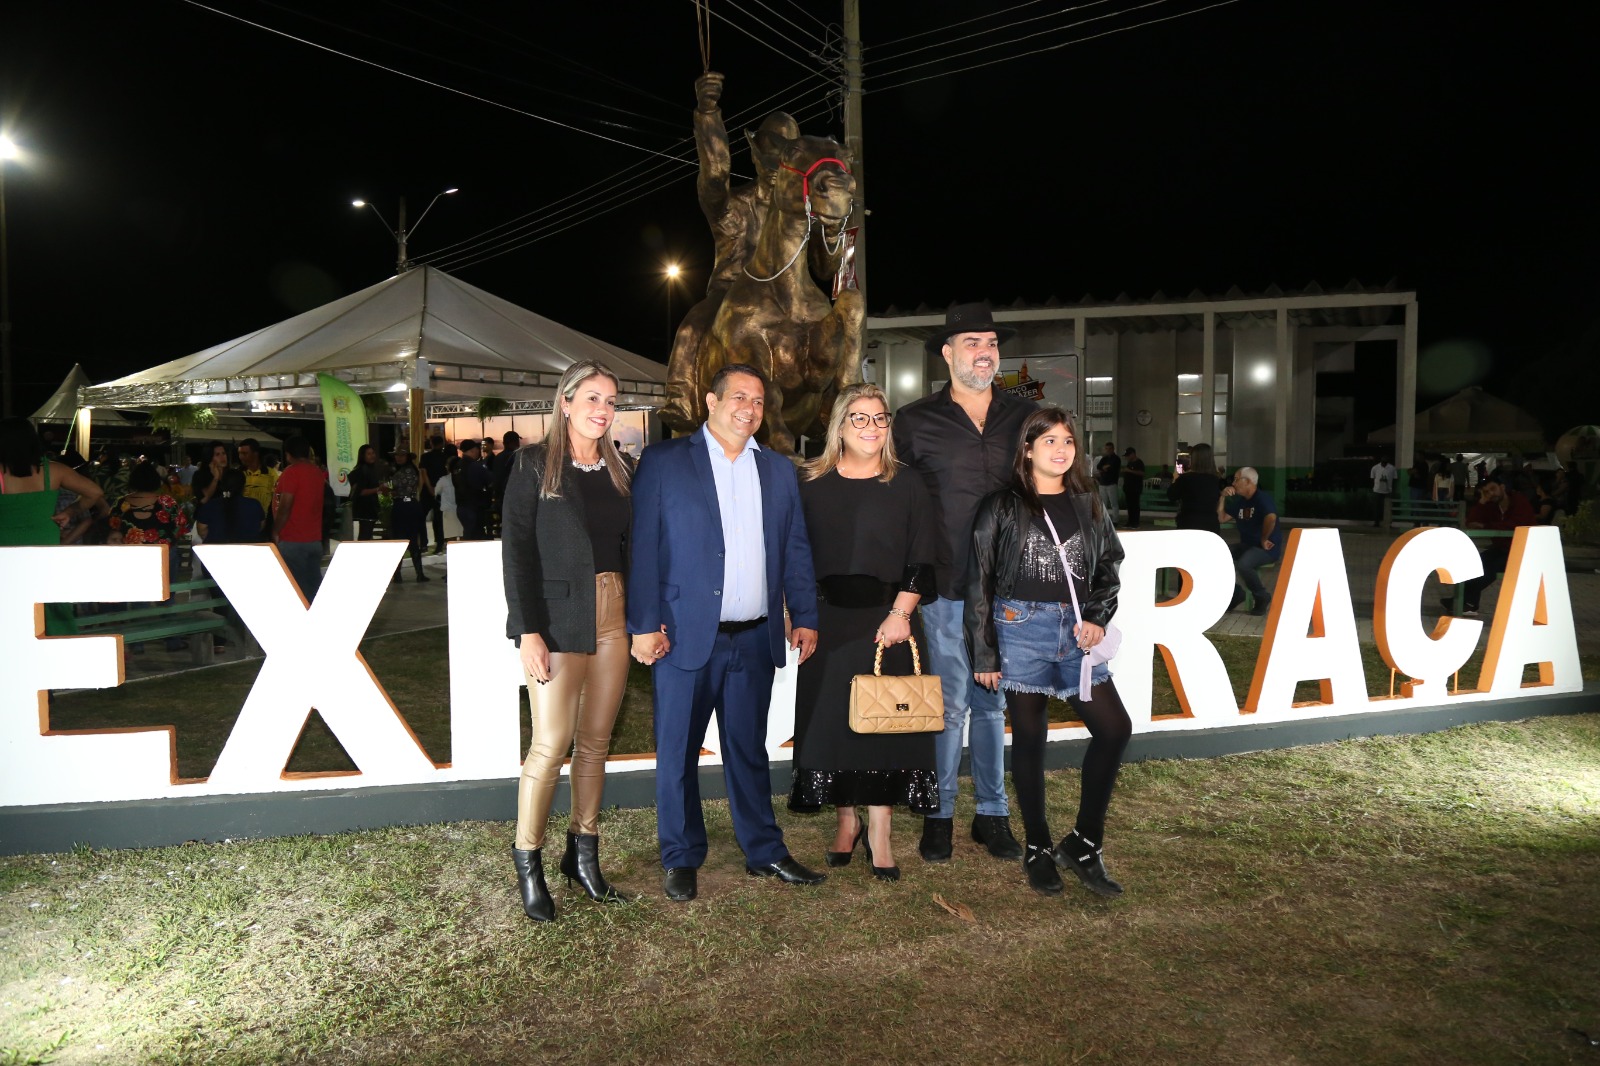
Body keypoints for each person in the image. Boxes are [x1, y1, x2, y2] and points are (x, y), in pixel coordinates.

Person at [628, 362, 824, 902]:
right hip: (684, 639)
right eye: (739, 397)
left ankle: (764, 851)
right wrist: (643, 626)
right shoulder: (665, 462)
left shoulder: (779, 471)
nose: (750, 409)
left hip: (755, 639)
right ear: (710, 403)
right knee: (678, 752)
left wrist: (804, 614)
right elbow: (642, 548)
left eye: (759, 401)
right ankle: (681, 855)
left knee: (748, 750)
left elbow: (795, 549)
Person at [965, 407, 1132, 897]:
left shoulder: (1088, 501)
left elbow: (1109, 564)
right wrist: (984, 655)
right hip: (1019, 629)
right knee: (1031, 738)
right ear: (1028, 449)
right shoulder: (999, 506)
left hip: (1077, 635)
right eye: (1049, 441)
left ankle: (1084, 843)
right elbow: (979, 581)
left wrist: (1098, 617)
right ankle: (1037, 845)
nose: (1060, 450)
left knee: (1114, 728)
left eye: (1068, 442)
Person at [892, 302, 1034, 865]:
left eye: (992, 342)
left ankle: (993, 815)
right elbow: (897, 501)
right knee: (950, 706)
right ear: (948, 353)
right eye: (972, 341)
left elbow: (1052, 485)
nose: (985, 351)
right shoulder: (914, 420)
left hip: (1012, 591)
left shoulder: (1027, 416)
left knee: (993, 707)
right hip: (946, 586)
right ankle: (940, 814)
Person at [501, 360, 636, 922]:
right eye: (592, 398)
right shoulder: (534, 465)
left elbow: (632, 546)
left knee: (596, 743)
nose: (602, 409)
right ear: (565, 402)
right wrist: (527, 629)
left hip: (615, 614)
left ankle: (582, 855)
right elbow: (517, 551)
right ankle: (528, 861)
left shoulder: (621, 469)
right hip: (557, 620)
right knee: (550, 745)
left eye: (609, 400)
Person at [788, 383, 939, 882]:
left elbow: (923, 557)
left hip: (889, 620)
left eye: (880, 418)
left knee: (884, 727)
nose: (871, 427)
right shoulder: (810, 483)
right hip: (828, 623)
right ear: (839, 424)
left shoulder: (908, 483)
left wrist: (900, 614)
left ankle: (880, 831)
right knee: (835, 727)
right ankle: (846, 822)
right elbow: (797, 558)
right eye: (859, 418)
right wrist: (799, 614)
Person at [0, 417, 109, 635]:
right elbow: (95, 493)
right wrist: (69, 512)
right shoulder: (54, 471)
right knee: (49, 601)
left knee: (9, 603)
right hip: (44, 547)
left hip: (5, 549)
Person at [194, 467, 268, 655]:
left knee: (220, 601)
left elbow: (202, 530)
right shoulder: (254, 505)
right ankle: (250, 637)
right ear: (243, 486)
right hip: (246, 560)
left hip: (215, 560)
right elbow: (260, 527)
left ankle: (220, 640)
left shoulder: (211, 506)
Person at [1440, 479, 1536, 618]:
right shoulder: (1491, 506)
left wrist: (1487, 526)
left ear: (1502, 486)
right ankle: (1466, 602)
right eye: (1486, 492)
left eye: (1493, 489)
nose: (1491, 493)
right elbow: (1471, 522)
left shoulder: (1519, 501)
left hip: (1524, 550)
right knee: (1475, 563)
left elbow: (1515, 525)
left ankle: (1468, 603)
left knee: (1490, 568)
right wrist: (1482, 502)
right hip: (1501, 548)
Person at [271, 436, 327, 601]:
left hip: (293, 539)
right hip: (314, 539)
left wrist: (275, 530)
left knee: (296, 590)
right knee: (313, 587)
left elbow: (286, 504)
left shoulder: (292, 472)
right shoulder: (317, 472)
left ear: (288, 454)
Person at [1220, 467, 1281, 615]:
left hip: (1265, 548)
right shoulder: (1241, 502)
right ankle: (1235, 594)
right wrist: (1222, 496)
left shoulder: (1262, 498)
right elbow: (1220, 518)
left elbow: (1271, 518)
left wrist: (1264, 538)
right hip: (1247, 546)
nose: (1233, 483)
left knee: (1244, 565)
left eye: (1236, 479)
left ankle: (1261, 596)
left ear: (1247, 481)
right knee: (1218, 555)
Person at [387, 446, 432, 583]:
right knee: (407, 540)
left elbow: (398, 488)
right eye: (397, 455)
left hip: (406, 506)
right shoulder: (403, 470)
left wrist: (389, 490)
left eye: (401, 455)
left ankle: (406, 574)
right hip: (405, 505)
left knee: (404, 540)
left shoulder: (408, 472)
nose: (398, 457)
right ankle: (414, 574)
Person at [1167, 442, 1222, 533]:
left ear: (1194, 459)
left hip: (1188, 525)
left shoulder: (1185, 478)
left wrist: (1175, 478)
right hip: (1211, 527)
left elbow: (1171, 496)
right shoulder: (1217, 480)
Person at [236, 438, 277, 534]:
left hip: (265, 525)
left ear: (256, 453)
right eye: (240, 453)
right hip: (241, 524)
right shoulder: (238, 474)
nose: (241, 457)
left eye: (245, 453)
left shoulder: (271, 474)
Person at [453, 439, 493, 540]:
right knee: (476, 536)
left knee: (468, 534)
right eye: (477, 449)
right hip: (474, 507)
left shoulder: (457, 465)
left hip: (461, 506)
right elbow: (490, 480)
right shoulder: (475, 466)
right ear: (472, 450)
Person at [418, 435, 449, 554]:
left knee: (421, 517)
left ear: (431, 443)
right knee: (438, 519)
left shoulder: (425, 457)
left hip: (428, 490)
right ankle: (439, 543)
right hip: (442, 491)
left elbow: (424, 474)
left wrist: (430, 488)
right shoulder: (445, 457)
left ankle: (424, 543)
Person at [348, 444, 383, 541]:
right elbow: (360, 492)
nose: (372, 456)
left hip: (370, 507)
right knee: (365, 535)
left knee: (366, 535)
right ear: (363, 456)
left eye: (373, 453)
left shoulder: (370, 469)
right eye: (369, 454)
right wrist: (378, 489)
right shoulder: (362, 471)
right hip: (365, 508)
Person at [491, 430, 521, 536]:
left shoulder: (498, 457)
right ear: (513, 442)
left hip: (501, 496)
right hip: (513, 496)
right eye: (517, 441)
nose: (519, 444)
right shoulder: (515, 456)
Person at [190, 440, 231, 507]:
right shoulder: (200, 475)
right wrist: (216, 478)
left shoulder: (232, 475)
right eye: (217, 454)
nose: (222, 457)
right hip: (209, 513)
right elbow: (204, 499)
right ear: (209, 457)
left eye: (224, 453)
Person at [1120, 446, 1146, 529]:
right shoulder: (1129, 463)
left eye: (1128, 455)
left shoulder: (1139, 463)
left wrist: (1129, 471)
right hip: (1128, 488)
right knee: (1130, 506)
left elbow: (1142, 473)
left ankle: (1135, 523)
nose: (1127, 457)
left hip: (1135, 488)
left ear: (1133, 454)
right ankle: (1130, 522)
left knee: (1135, 506)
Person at [1095, 442, 1121, 522]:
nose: (1108, 450)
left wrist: (1104, 468)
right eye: (1106, 449)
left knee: (1114, 503)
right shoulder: (1104, 458)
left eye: (1110, 449)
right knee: (1103, 503)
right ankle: (1104, 520)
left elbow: (1112, 468)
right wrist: (1104, 468)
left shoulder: (1116, 459)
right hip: (1103, 483)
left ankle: (1115, 520)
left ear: (1113, 449)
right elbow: (1098, 466)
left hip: (1112, 483)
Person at [1369, 456, 1396, 526]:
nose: (1384, 459)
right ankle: (1376, 522)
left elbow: (1395, 479)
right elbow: (1372, 479)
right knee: (1376, 508)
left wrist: (1392, 489)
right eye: (1383, 458)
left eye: (1386, 458)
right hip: (1377, 491)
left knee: (1388, 509)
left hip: (1388, 491)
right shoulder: (1375, 468)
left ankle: (1388, 523)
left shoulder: (1392, 468)